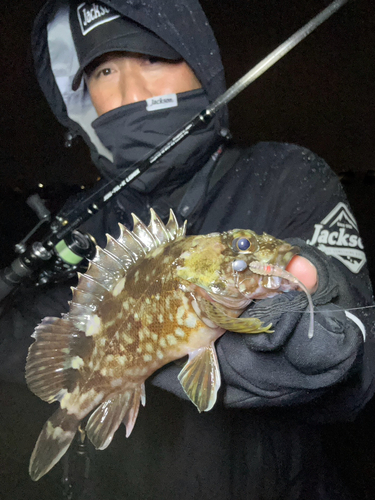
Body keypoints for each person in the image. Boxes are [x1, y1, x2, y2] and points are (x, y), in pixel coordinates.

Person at [1, 0, 374, 499]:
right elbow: (32, 333)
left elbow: (358, 350)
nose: (131, 90)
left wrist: (331, 306)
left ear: (197, 61)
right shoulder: (84, 219)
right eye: (105, 69)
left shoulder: (288, 176)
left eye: (152, 58)